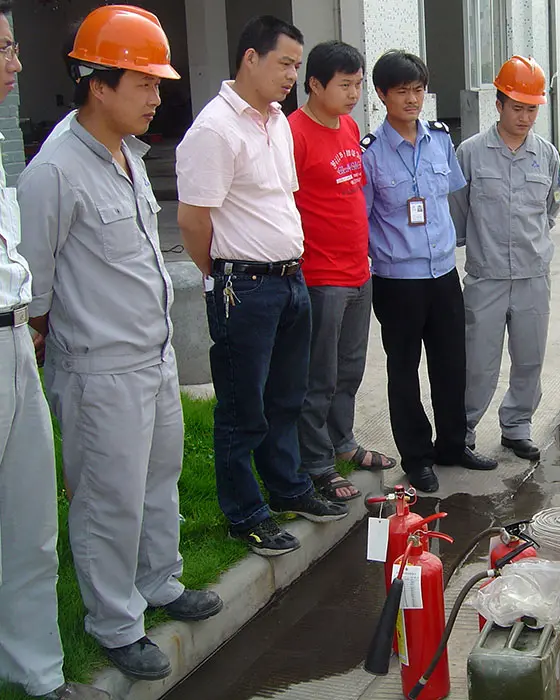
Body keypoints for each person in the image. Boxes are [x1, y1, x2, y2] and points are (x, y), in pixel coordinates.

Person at [17, 5, 223, 682]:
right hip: (99, 369)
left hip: (153, 357)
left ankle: (158, 580)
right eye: (143, 83)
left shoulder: (128, 156)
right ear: (98, 84)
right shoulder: (55, 171)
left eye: (158, 83)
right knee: (108, 500)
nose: (156, 97)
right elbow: (36, 288)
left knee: (158, 481)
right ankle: (113, 622)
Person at [176, 16, 345, 558]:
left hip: (290, 278)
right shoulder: (215, 129)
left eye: (297, 65)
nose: (293, 75)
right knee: (242, 408)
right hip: (243, 285)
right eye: (284, 63)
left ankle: (288, 487)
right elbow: (193, 220)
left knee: (286, 398)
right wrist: (220, 274)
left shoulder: (276, 121)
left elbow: (279, 200)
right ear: (250, 57)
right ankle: (245, 513)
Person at [0, 5, 111, 699]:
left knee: (31, 521)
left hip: (13, 338)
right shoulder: (56, 164)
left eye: (14, 46)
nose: (17, 62)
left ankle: (35, 673)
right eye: (4, 49)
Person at [362, 50, 498, 494]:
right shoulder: (370, 153)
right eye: (402, 91)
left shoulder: (440, 139)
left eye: (418, 90)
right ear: (381, 94)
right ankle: (417, 457)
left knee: (451, 364)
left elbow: (452, 198)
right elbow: (363, 219)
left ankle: (453, 445)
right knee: (404, 371)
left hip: (442, 273)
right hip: (397, 280)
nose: (412, 99)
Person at [289, 40, 396, 504]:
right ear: (315, 84)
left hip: (358, 271)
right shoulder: (293, 134)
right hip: (320, 276)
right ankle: (315, 462)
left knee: (350, 369)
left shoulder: (349, 126)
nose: (354, 94)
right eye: (345, 85)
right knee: (319, 375)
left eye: (358, 85)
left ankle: (343, 442)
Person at [450, 55, 560, 462]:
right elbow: (458, 209)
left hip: (534, 277)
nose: (525, 117)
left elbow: (552, 208)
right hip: (487, 277)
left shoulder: (547, 155)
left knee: (530, 359)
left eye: (532, 109)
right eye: (517, 107)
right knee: (477, 363)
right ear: (498, 105)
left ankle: (517, 427)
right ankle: (462, 430)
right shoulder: (470, 153)